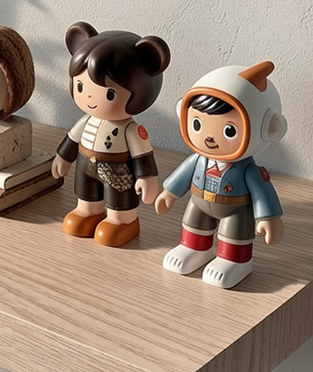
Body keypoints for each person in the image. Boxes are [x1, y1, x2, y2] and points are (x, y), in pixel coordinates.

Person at [155, 61, 287, 289]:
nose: (209, 138)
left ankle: (234, 261)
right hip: (198, 203)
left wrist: (268, 218)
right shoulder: (198, 160)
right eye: (197, 124)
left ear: (269, 128)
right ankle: (193, 248)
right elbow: (182, 176)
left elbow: (262, 193)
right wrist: (169, 193)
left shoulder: (249, 170)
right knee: (193, 225)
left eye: (229, 130)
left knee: (234, 235)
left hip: (235, 210)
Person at [52, 22, 170, 247]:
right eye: (80, 87)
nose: (89, 98)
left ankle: (123, 221)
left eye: (109, 94)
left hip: (117, 169)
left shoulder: (131, 129)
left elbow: (142, 155)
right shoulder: (86, 120)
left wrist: (147, 178)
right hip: (85, 165)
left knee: (119, 198)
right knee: (86, 195)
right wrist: (63, 157)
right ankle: (88, 211)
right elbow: (72, 139)